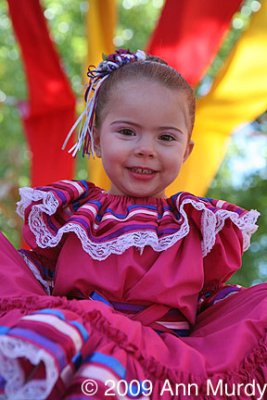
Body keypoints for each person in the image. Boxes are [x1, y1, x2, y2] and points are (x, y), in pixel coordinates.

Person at [0, 48, 266, 400]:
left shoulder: (200, 224)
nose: (146, 149)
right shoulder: (72, 212)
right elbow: (39, 279)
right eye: (127, 132)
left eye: (166, 137)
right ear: (95, 138)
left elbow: (208, 301)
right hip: (84, 347)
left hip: (164, 364)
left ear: (187, 150)